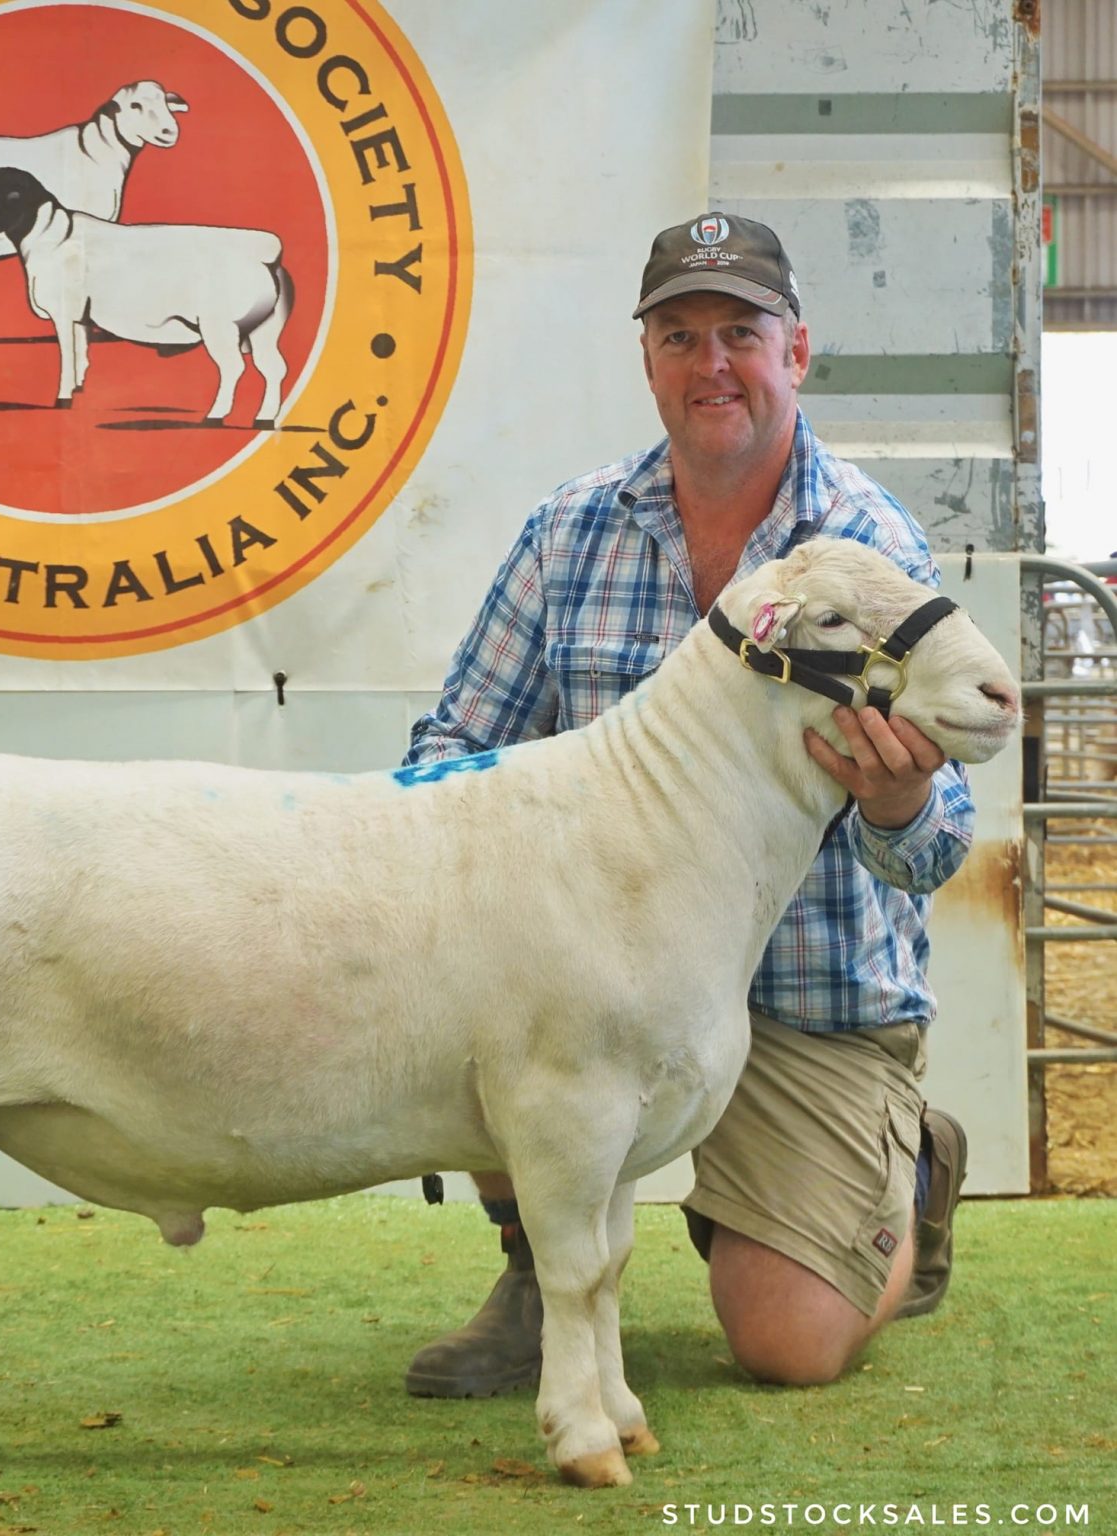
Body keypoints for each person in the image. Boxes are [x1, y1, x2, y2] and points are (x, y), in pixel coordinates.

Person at [402, 212, 971, 1395]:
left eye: (738, 333)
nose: (710, 363)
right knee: (491, 961)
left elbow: (940, 848)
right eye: (678, 336)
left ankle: (897, 1169)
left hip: (800, 1005)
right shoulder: (570, 531)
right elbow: (453, 743)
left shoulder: (866, 547)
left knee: (788, 1347)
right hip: (596, 986)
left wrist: (895, 798)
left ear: (794, 353)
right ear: (647, 359)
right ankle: (533, 1272)